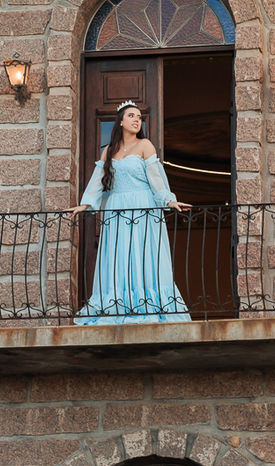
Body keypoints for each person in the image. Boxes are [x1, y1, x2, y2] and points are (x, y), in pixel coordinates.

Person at [73, 101, 192, 324]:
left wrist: (169, 200)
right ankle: (118, 303)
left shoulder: (145, 145)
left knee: (144, 252)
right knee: (121, 254)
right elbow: (98, 182)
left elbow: (156, 180)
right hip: (117, 208)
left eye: (139, 116)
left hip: (143, 206)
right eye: (131, 116)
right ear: (120, 121)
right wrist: (86, 204)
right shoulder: (108, 151)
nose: (137, 119)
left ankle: (148, 305)